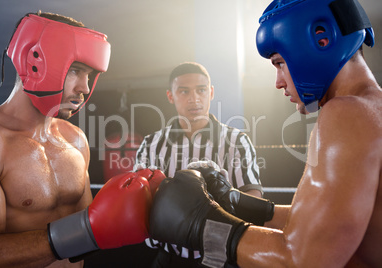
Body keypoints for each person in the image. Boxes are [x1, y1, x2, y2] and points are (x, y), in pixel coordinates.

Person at [148, 0, 382, 267]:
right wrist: (235, 202)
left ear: (322, 39)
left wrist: (200, 224)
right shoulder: (371, 109)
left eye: (280, 63)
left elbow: (302, 261)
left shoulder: (346, 113)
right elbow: (321, 225)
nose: (278, 81)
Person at [0, 12, 165, 268]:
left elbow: (88, 237)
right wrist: (89, 228)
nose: (85, 88)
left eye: (89, 75)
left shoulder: (74, 139)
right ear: (34, 61)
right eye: (76, 71)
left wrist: (142, 211)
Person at [134, 62, 266, 267]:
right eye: (184, 91)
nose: (194, 99)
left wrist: (220, 210)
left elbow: (253, 198)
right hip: (167, 256)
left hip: (220, 257)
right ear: (171, 96)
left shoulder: (236, 141)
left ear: (211, 92)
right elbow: (138, 201)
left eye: (201, 90)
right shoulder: (151, 144)